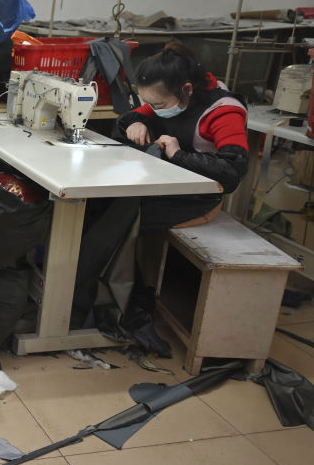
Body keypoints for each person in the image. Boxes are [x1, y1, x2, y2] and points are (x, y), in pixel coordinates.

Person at [70, 41, 249, 343]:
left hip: (199, 199)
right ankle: (87, 292)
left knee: (113, 217)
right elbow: (130, 117)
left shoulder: (224, 111)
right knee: (97, 205)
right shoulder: (166, 94)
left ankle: (102, 302)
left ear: (186, 90)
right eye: (149, 104)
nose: (154, 110)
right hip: (163, 185)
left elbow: (232, 173)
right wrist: (136, 122)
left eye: (159, 106)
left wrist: (178, 155)